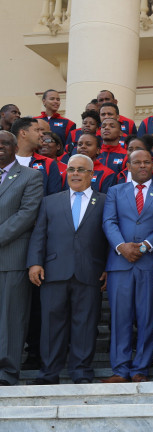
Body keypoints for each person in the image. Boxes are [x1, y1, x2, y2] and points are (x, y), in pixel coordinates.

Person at [26, 154, 108, 385]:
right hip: (53, 271)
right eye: (71, 169)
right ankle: (48, 373)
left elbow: (110, 236)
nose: (75, 173)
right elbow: (39, 234)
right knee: (51, 325)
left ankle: (81, 372)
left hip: (90, 271)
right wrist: (35, 262)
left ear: (92, 175)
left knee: (85, 324)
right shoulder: (50, 201)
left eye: (81, 170)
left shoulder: (104, 201)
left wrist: (107, 268)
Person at [101, 149, 153, 383]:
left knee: (147, 317)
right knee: (120, 318)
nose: (142, 166)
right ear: (129, 166)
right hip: (120, 264)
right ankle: (120, 370)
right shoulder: (114, 191)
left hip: (150, 264)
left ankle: (140, 369)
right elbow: (109, 221)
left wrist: (144, 246)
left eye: (146, 162)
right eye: (137, 162)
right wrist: (122, 246)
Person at [0, 130, 43, 386]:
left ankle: (6, 371)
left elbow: (27, 215)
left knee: (11, 319)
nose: (0, 147)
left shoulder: (31, 176)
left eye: (5, 143)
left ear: (15, 148)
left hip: (12, 258)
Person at [10, 117, 62, 197]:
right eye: (37, 130)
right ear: (23, 133)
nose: (41, 134)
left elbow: (54, 198)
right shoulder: (4, 161)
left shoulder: (48, 163)